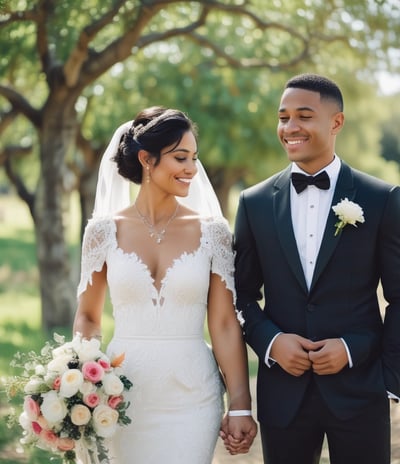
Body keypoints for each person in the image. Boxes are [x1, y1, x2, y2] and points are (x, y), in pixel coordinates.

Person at [73, 106, 257, 464]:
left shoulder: (213, 232)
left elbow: (222, 323)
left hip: (192, 396)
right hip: (119, 395)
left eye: (193, 158)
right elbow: (89, 317)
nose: (191, 169)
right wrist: (81, 383)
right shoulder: (102, 231)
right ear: (146, 159)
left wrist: (239, 403)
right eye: (180, 158)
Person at [233, 74, 400, 464]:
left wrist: (384, 376)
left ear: (336, 122)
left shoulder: (382, 199)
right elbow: (239, 294)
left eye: (304, 116)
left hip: (361, 391)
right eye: (283, 117)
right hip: (283, 395)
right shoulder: (253, 203)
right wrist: (272, 343)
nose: (290, 127)